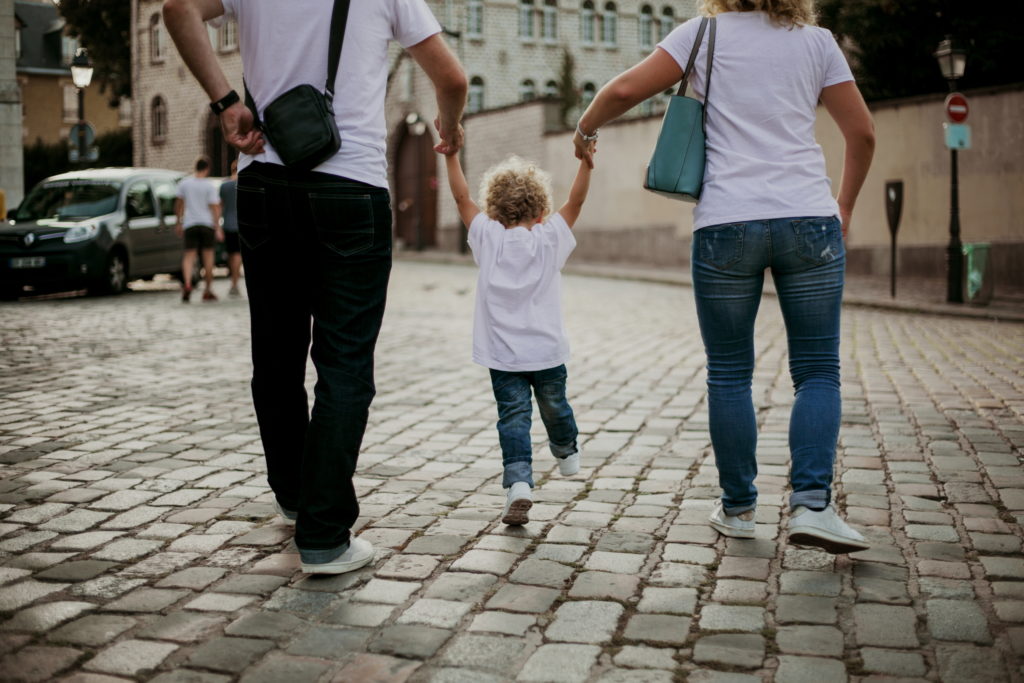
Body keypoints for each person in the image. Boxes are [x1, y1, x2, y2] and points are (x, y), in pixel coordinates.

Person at [163, 0, 467, 574]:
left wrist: (228, 102)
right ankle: (324, 534)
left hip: (263, 182)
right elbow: (451, 76)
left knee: (275, 356)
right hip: (350, 185)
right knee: (345, 363)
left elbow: (177, 8)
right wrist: (448, 128)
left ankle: (296, 495)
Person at [573, 0, 875, 553]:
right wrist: (845, 207)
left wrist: (585, 127)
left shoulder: (701, 35)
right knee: (817, 372)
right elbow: (863, 135)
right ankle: (812, 505)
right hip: (808, 219)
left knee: (730, 373)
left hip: (726, 223)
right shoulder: (817, 43)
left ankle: (738, 509)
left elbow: (621, 93)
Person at [444, 151, 591, 525]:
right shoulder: (550, 237)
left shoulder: (488, 237)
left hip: (503, 357)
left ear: (493, 210)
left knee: (513, 417)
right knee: (555, 406)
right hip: (546, 352)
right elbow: (576, 201)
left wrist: (452, 155)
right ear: (541, 210)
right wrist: (585, 163)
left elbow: (462, 199)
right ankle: (565, 450)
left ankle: (518, 483)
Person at [175, 155, 222, 302]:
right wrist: (218, 226)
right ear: (207, 168)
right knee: (208, 257)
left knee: (189, 256)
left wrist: (179, 222)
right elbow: (214, 207)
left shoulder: (185, 183)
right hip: (207, 224)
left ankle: (187, 284)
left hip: (190, 224)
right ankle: (208, 290)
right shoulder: (209, 185)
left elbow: (179, 204)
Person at [219, 159, 242, 297]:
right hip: (240, 224)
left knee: (231, 253)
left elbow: (221, 205)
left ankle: (233, 281)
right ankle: (235, 282)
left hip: (227, 224)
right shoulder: (244, 184)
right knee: (238, 255)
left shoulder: (225, 185)